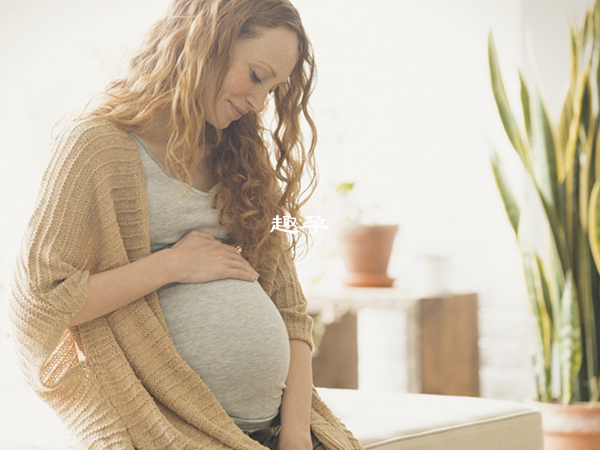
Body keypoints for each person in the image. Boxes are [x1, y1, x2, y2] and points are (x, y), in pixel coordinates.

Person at [8, 0, 364, 449]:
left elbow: (291, 310)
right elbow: (39, 306)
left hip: (276, 432)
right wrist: (172, 265)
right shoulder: (96, 146)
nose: (258, 103)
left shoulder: (246, 161)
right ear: (206, 41)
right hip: (166, 431)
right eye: (256, 76)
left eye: (272, 90)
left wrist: (295, 436)